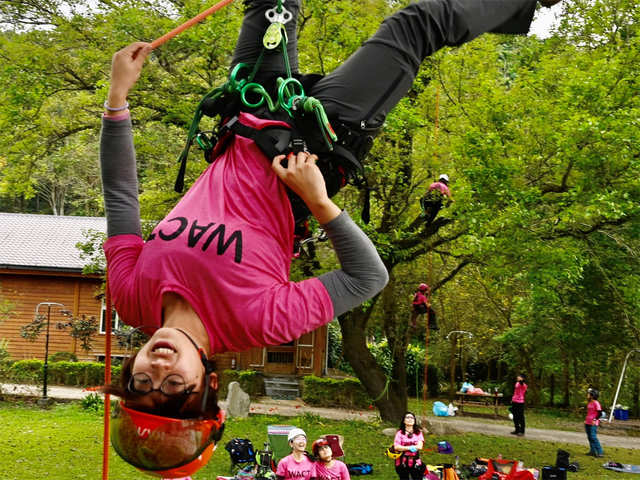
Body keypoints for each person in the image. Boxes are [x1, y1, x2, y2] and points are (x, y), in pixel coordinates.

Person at [101, 0, 561, 474]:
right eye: (176, 387)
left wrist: (116, 99)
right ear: (207, 384)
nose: (157, 371)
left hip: (250, 107)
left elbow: (120, 197)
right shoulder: (258, 321)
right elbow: (367, 277)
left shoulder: (130, 295)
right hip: (318, 137)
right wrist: (321, 203)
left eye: (140, 384)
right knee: (418, 24)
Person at [393, 412, 426, 480]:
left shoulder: (418, 433)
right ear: (404, 421)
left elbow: (420, 446)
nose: (410, 419)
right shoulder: (399, 433)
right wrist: (411, 447)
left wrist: (403, 448)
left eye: (412, 418)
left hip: (415, 461)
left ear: (414, 421)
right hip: (402, 462)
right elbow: (396, 447)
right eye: (407, 417)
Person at [585, 388, 604, 457]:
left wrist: (595, 420)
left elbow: (600, 413)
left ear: (592, 395)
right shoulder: (590, 402)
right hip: (587, 422)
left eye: (589, 394)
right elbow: (590, 412)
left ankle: (600, 452)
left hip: (593, 423)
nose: (587, 394)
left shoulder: (596, 403)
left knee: (593, 437)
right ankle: (592, 451)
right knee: (589, 437)